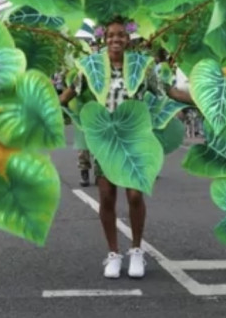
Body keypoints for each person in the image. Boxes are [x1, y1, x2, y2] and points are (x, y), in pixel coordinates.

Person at [59, 16, 192, 279]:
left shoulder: (142, 67)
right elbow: (70, 93)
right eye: (111, 35)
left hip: (134, 136)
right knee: (107, 196)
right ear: (104, 39)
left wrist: (204, 101)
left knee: (134, 195)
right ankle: (113, 254)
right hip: (106, 137)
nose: (116, 39)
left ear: (128, 39)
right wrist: (43, 104)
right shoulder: (93, 67)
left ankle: (136, 250)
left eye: (120, 35)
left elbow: (168, 92)